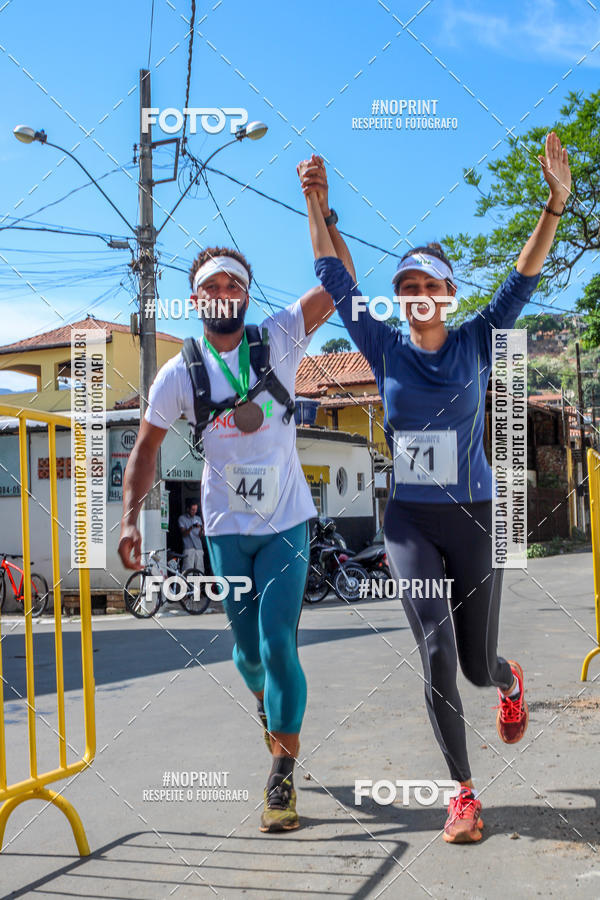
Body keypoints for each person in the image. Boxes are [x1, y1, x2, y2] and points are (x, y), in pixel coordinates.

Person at [300, 133, 571, 843]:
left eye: (430, 287)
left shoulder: (478, 339)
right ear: (400, 300)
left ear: (448, 294)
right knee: (437, 653)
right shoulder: (382, 346)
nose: (420, 297)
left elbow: (523, 277)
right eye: (408, 289)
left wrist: (554, 205)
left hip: (475, 516)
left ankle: (509, 683)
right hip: (411, 524)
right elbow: (333, 276)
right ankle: (464, 797)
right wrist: (315, 203)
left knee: (477, 667)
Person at [118, 190, 355, 831]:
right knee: (247, 655)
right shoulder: (178, 374)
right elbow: (145, 448)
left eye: (234, 284)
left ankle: (281, 777)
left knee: (279, 644)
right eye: (211, 286)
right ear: (195, 299)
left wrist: (321, 211)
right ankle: (267, 708)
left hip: (286, 523)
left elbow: (341, 284)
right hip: (226, 530)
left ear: (246, 295)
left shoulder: (279, 336)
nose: (223, 292)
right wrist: (130, 517)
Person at [178, 498, 205, 572]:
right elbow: (184, 534)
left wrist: (202, 529)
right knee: (188, 570)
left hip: (199, 547)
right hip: (188, 548)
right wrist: (192, 527)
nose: (194, 512)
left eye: (195, 510)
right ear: (188, 509)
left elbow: (200, 535)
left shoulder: (198, 518)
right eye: (193, 510)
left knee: (200, 570)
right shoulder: (182, 518)